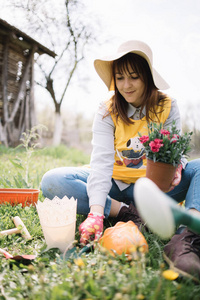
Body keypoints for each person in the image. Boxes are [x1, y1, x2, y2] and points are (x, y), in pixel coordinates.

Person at [41, 40, 200, 281]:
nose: (126, 85)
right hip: (115, 187)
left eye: (134, 77)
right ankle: (126, 212)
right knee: (53, 180)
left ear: (147, 77)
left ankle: (185, 238)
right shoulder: (107, 110)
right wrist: (95, 213)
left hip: (153, 189)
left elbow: (175, 151)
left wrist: (177, 167)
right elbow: (101, 162)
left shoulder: (167, 106)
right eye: (120, 77)